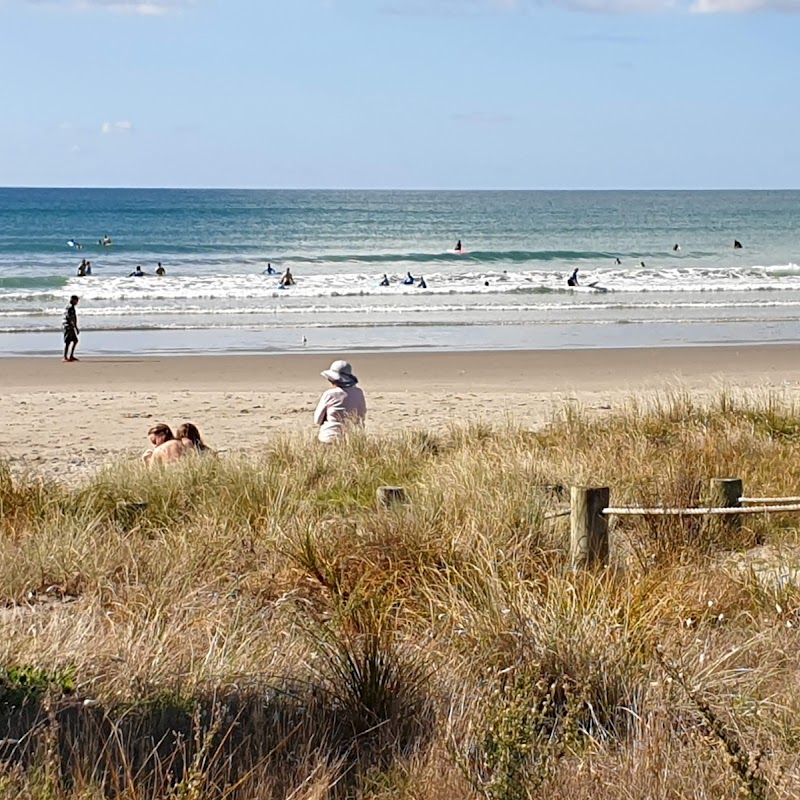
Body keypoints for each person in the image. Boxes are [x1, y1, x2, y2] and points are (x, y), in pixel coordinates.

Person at [314, 360, 367, 444]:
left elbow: (317, 420)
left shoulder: (330, 394)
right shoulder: (359, 392)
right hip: (353, 438)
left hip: (330, 437)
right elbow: (361, 414)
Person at [62, 295, 80, 362]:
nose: (77, 302)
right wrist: (75, 327)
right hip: (68, 326)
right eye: (76, 301)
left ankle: (71, 356)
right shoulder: (70, 308)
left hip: (70, 325)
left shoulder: (70, 307)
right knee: (68, 342)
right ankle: (65, 357)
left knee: (75, 340)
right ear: (73, 300)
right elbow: (71, 318)